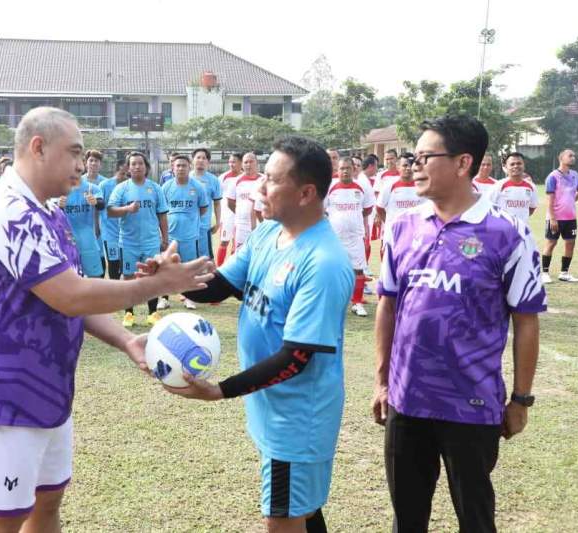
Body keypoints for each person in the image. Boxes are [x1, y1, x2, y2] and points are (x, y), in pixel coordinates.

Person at [0, 107, 213, 532]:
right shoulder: (7, 209)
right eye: (74, 152)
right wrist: (157, 286)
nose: (81, 164)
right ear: (38, 147)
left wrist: (125, 340)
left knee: (47, 502)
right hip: (5, 387)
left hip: (49, 382)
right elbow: (70, 295)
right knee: (5, 518)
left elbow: (72, 289)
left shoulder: (50, 213)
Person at [163, 135, 353, 533]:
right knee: (303, 509)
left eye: (270, 180)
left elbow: (296, 358)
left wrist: (219, 390)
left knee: (281, 518)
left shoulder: (323, 262)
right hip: (272, 407)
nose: (258, 188)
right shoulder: (269, 234)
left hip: (298, 418)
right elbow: (220, 287)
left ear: (305, 193)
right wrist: (175, 278)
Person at [373, 115, 547, 533]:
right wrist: (382, 382)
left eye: (424, 157)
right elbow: (388, 305)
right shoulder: (403, 226)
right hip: (406, 400)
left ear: (463, 162)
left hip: (470, 406)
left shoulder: (509, 233)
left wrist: (521, 400)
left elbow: (526, 321)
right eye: (413, 157)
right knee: (407, 517)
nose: (413, 165)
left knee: (475, 517)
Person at [107, 151, 169, 327]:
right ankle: (129, 313)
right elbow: (110, 211)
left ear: (146, 166)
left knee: (152, 276)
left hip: (150, 241)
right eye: (133, 163)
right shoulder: (122, 188)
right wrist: (127, 208)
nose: (137, 166)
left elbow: (162, 215)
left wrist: (165, 238)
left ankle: (153, 312)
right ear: (128, 167)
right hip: (128, 241)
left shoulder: (155, 188)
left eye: (140, 163)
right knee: (128, 277)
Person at [325, 157, 375, 317]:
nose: (345, 171)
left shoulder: (362, 186)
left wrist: (352, 221)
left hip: (355, 237)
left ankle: (357, 302)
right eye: (342, 168)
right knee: (333, 269)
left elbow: (367, 209)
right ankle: (332, 302)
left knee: (358, 270)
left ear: (354, 170)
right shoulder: (330, 187)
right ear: (337, 170)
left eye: (348, 168)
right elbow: (322, 208)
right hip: (334, 238)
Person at [161, 154, 208, 310]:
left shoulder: (197, 187)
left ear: (189, 168)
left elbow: (203, 208)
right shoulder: (166, 187)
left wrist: (189, 221)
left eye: (184, 165)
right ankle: (163, 298)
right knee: (166, 267)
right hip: (171, 235)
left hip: (189, 235)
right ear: (173, 169)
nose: (181, 168)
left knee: (188, 268)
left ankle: (189, 297)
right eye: (178, 166)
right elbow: (161, 211)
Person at [541, 149, 578, 283]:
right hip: (555, 218)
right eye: (570, 155)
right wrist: (552, 218)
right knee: (551, 243)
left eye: (574, 156)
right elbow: (549, 200)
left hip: (570, 218)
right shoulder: (553, 176)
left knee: (570, 243)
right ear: (561, 158)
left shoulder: (575, 175)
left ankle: (564, 273)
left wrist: (572, 200)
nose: (573, 158)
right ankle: (545, 273)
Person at [57, 173, 104, 278]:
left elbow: (101, 204)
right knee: (69, 280)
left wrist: (95, 201)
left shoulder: (91, 188)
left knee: (95, 279)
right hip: (67, 243)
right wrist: (58, 206)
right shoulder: (59, 189)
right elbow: (48, 212)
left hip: (88, 243)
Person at [375, 153, 428, 240]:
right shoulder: (389, 185)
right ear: (398, 167)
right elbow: (379, 208)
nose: (408, 168)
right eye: (405, 165)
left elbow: (426, 209)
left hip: (415, 235)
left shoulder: (421, 185)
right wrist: (390, 223)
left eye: (410, 165)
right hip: (393, 235)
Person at [488, 152, 538, 226]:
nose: (516, 166)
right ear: (506, 167)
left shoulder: (531, 187)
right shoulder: (498, 186)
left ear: (524, 166)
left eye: (519, 163)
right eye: (512, 164)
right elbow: (488, 207)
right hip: (503, 231)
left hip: (523, 231)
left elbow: (532, 208)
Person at [98, 161, 128, 281]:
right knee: (113, 263)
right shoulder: (104, 185)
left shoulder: (130, 186)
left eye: (127, 174)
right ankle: (114, 292)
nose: (124, 177)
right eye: (122, 174)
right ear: (116, 172)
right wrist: (97, 227)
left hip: (126, 233)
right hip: (110, 232)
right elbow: (97, 207)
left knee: (126, 266)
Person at [190, 148, 222, 259]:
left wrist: (218, 222)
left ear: (208, 162)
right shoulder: (186, 178)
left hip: (204, 226)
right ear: (192, 160)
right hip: (187, 226)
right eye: (198, 157)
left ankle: (210, 276)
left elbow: (217, 203)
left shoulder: (213, 180)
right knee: (188, 258)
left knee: (206, 258)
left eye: (204, 158)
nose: (201, 160)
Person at [226, 152, 261, 251]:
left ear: (256, 163)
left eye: (251, 162)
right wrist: (241, 214)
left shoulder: (263, 180)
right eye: (246, 162)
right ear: (242, 164)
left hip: (260, 224)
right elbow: (230, 203)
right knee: (240, 253)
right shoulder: (235, 181)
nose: (248, 165)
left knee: (258, 252)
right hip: (242, 225)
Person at [217, 153, 243, 265]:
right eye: (230, 162)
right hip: (227, 215)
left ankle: (233, 269)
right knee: (224, 242)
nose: (231, 164)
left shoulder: (244, 177)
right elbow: (217, 197)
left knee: (237, 243)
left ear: (241, 163)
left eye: (234, 162)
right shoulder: (223, 178)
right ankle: (219, 269)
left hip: (241, 216)